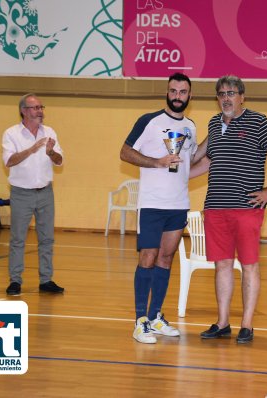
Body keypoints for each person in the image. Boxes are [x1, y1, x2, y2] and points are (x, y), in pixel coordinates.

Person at [191, 75, 267, 343]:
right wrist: (176, 176)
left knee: (249, 265)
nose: (226, 98)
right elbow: (206, 162)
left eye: (232, 93)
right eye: (222, 94)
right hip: (215, 207)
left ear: (242, 97)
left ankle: (246, 325)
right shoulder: (214, 124)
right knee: (222, 265)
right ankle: (222, 322)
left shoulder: (258, 122)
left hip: (246, 208)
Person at [120, 73, 197, 344]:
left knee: (166, 259)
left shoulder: (190, 126)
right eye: (173, 91)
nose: (177, 96)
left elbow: (188, 164)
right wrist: (157, 162)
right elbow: (125, 152)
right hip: (152, 204)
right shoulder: (149, 121)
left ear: (189, 95)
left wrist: (216, 154)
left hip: (178, 204)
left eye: (183, 92)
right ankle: (140, 321)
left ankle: (155, 317)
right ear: (167, 92)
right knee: (148, 259)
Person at [2, 93, 65, 296]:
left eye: (41, 107)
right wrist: (32, 149)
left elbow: (59, 161)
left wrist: (50, 152)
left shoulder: (50, 132)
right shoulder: (11, 134)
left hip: (45, 193)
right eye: (36, 108)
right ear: (24, 111)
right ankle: (15, 281)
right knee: (18, 239)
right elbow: (9, 161)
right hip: (21, 194)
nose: (40, 111)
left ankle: (46, 279)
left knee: (47, 239)